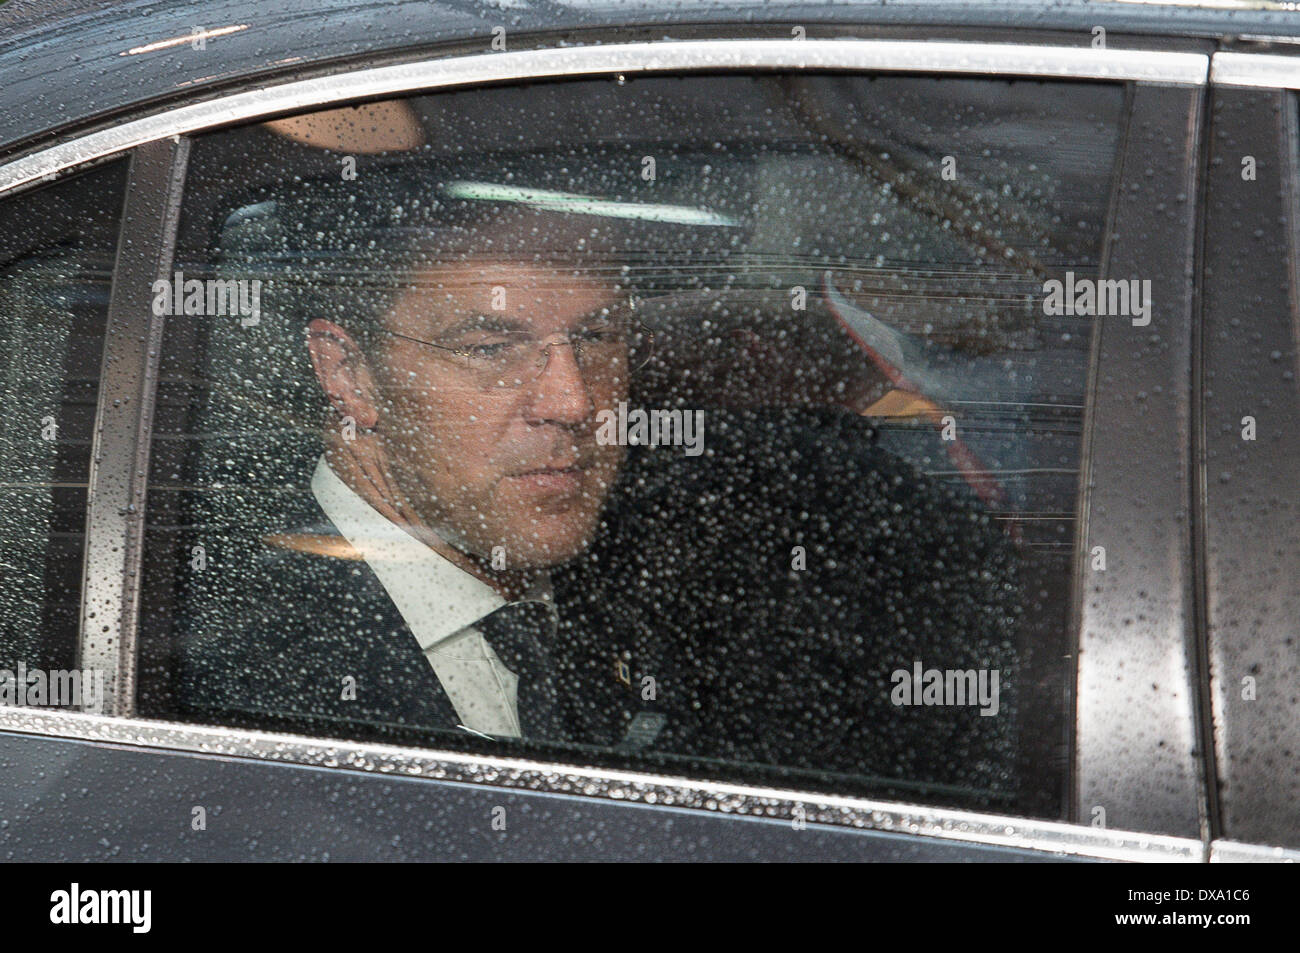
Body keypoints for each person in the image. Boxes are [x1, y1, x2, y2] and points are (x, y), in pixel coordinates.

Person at [176, 184, 1022, 803]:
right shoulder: (220, 673)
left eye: (598, 335)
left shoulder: (720, 523)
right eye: (490, 346)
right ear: (348, 372)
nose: (575, 401)